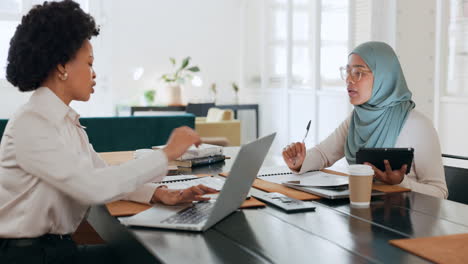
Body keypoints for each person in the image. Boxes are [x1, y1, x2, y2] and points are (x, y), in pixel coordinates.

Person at [0, 1, 216, 263]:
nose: (94, 74)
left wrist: (158, 193)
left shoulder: (64, 121)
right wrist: (168, 153)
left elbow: (101, 174)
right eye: (89, 63)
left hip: (55, 250)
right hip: (30, 256)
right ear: (61, 67)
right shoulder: (32, 123)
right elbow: (93, 188)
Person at [282, 41, 448, 199]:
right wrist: (299, 161)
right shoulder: (357, 119)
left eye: (358, 73)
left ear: (384, 76)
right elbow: (324, 154)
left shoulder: (417, 125)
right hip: (364, 213)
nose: (349, 79)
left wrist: (401, 182)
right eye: (347, 72)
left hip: (407, 221)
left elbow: (440, 192)